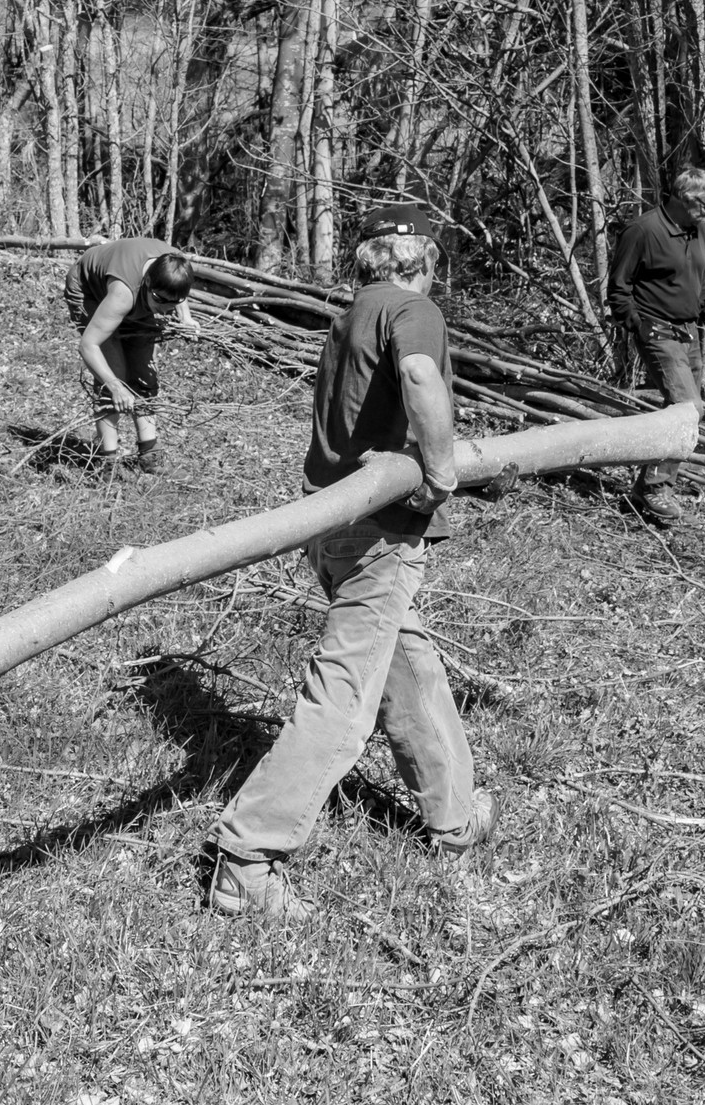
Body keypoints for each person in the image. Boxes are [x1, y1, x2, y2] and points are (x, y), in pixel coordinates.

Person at [206, 202, 500, 920]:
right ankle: (248, 856)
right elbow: (424, 381)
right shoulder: (412, 308)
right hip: (377, 532)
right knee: (346, 696)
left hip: (333, 525)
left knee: (412, 669)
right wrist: (439, 473)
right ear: (424, 259)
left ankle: (455, 819)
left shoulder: (352, 315)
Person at [607, 166, 705, 527]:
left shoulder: (699, 231)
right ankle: (655, 487)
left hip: (689, 333)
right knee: (687, 409)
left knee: (681, 409)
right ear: (683, 198)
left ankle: (647, 486)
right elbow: (618, 288)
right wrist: (639, 327)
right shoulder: (644, 231)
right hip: (658, 333)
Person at [63, 236, 195, 474]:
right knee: (114, 373)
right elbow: (88, 345)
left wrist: (184, 316)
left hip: (138, 291)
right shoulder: (123, 293)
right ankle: (108, 463)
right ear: (146, 282)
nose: (165, 308)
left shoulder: (175, 266)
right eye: (160, 301)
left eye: (172, 303)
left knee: (144, 374)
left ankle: (149, 455)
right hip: (90, 290)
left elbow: (174, 293)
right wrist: (114, 385)